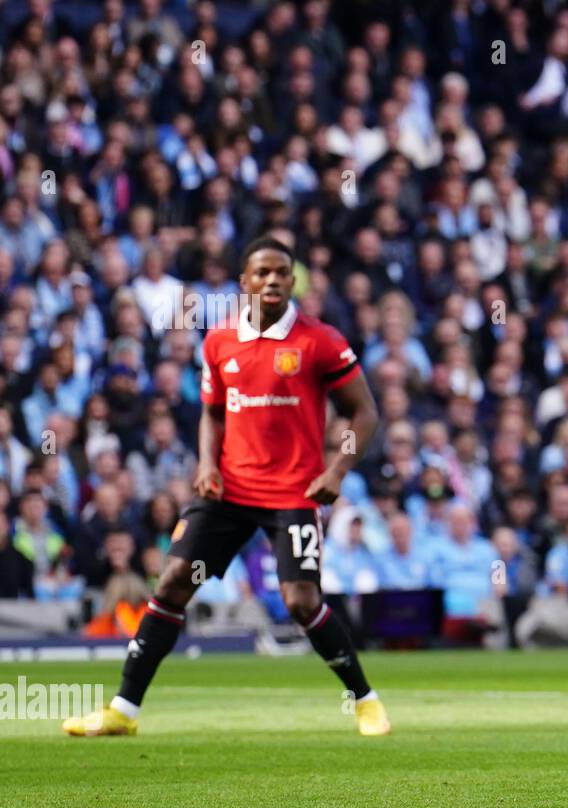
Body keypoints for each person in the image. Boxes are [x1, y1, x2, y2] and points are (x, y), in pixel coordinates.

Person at [63, 236, 386, 737]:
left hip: (292, 494)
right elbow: (213, 414)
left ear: (292, 280)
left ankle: (365, 701)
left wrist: (337, 469)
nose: (273, 280)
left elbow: (364, 411)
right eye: (262, 273)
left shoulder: (319, 340)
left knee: (301, 602)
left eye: (282, 272)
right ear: (244, 282)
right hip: (229, 492)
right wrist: (207, 465)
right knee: (172, 583)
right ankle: (122, 711)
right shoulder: (219, 341)